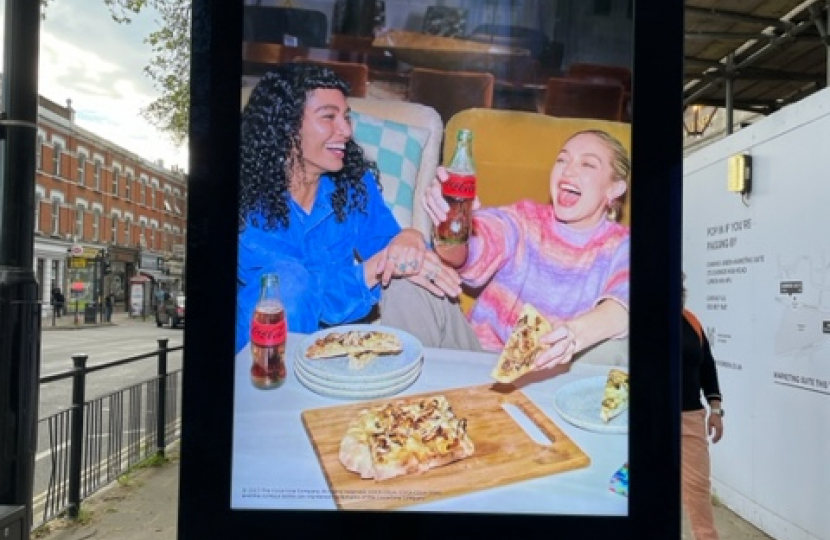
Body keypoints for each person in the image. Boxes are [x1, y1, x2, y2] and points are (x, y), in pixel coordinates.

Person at [236, 63, 479, 354]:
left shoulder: (352, 186)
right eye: (329, 117)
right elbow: (305, 296)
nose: (346, 130)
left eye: (346, 117)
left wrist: (410, 240)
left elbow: (389, 246)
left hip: (336, 349)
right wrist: (375, 269)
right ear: (286, 126)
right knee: (288, 280)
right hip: (261, 355)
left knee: (412, 282)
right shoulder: (247, 201)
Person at [422, 129, 631, 370]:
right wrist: (456, 228)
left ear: (614, 189)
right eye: (562, 159)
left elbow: (626, 302)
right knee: (407, 278)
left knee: (621, 345)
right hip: (478, 357)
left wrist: (570, 337)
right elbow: (482, 242)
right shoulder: (525, 218)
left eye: (588, 164)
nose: (568, 170)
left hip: (558, 374)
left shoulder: (622, 245)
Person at [681, 274, 724, 540]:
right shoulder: (638, 322)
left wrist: (716, 410)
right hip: (647, 420)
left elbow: (707, 367)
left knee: (697, 487)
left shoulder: (691, 321)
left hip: (690, 417)